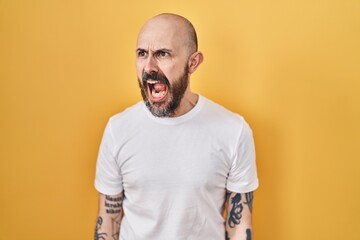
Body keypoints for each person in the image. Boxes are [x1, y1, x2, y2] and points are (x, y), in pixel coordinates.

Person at [94, 13, 259, 240]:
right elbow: (108, 223)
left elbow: (240, 226)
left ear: (192, 63)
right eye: (142, 54)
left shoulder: (233, 131)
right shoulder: (118, 130)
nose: (149, 67)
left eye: (163, 54)